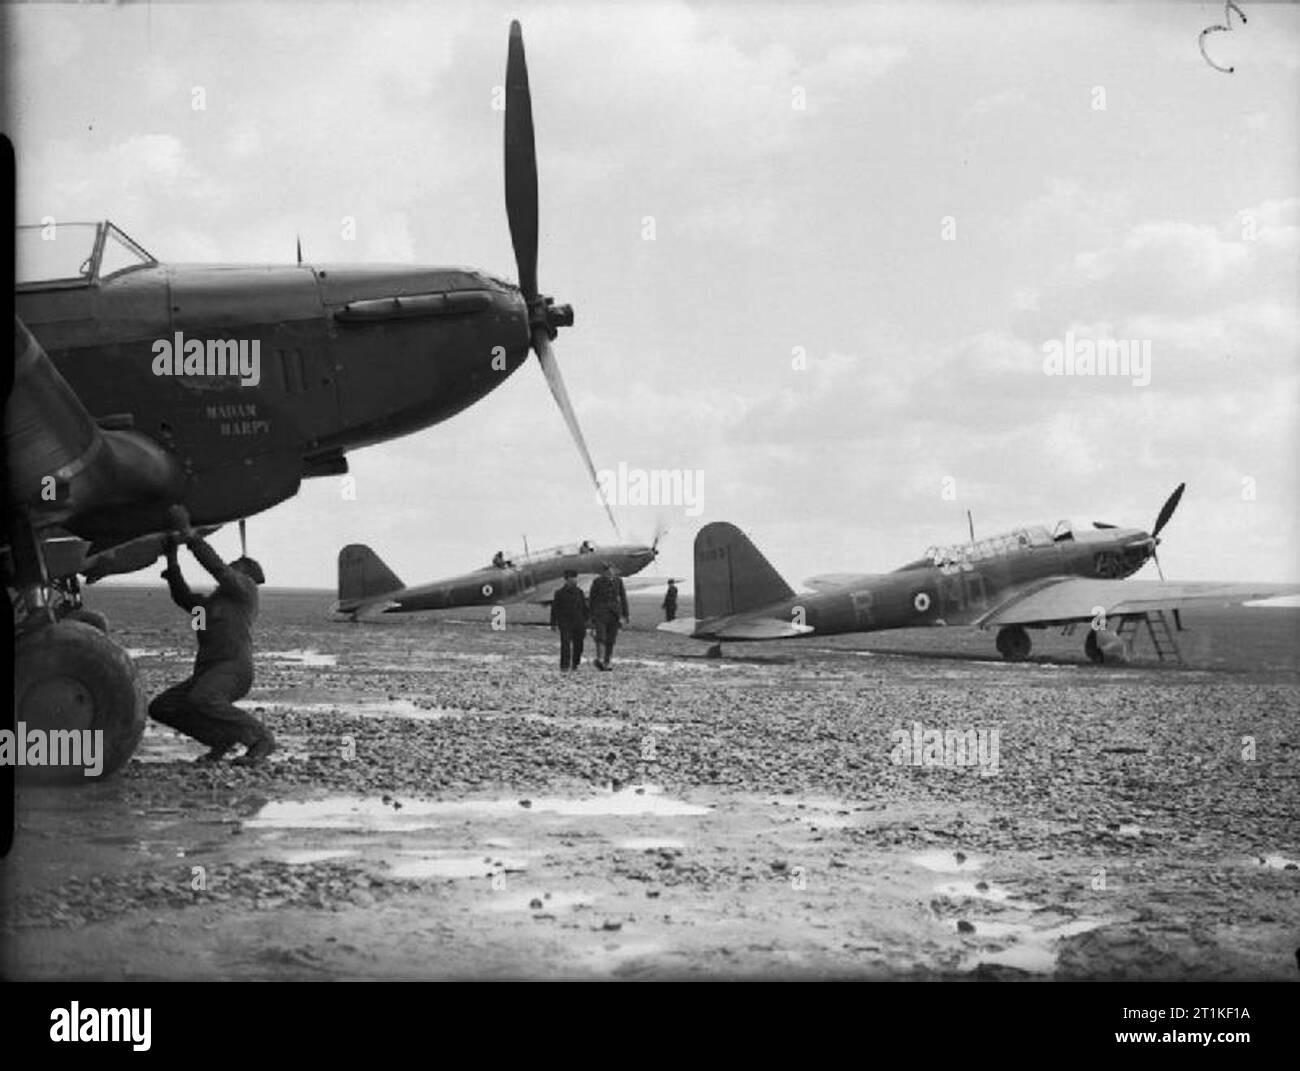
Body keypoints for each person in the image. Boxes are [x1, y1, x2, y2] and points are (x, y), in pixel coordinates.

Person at [149, 506, 275, 765]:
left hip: (233, 668)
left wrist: (190, 536)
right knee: (163, 707)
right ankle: (221, 739)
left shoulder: (246, 592)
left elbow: (218, 569)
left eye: (236, 567)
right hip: (209, 671)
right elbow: (184, 597)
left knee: (203, 698)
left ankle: (261, 739)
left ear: (246, 575)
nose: (230, 568)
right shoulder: (208, 607)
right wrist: (171, 560)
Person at [588, 562, 629, 671]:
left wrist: (625, 615)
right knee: (601, 637)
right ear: (604, 571)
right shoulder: (597, 582)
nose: (610, 572)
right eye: (608, 570)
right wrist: (591, 615)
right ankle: (600, 659)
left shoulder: (618, 581)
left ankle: (607, 661)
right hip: (600, 613)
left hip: (614, 614)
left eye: (612, 570)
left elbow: (623, 598)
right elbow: (592, 599)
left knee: (611, 639)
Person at [549, 569, 589, 671]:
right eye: (572, 578)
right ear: (567, 580)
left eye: (575, 578)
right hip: (565, 623)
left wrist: (587, 620)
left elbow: (584, 607)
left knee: (578, 645)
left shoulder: (579, 592)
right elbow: (555, 609)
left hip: (579, 623)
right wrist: (553, 623)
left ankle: (575, 663)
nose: (575, 580)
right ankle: (564, 665)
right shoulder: (559, 593)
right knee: (565, 645)